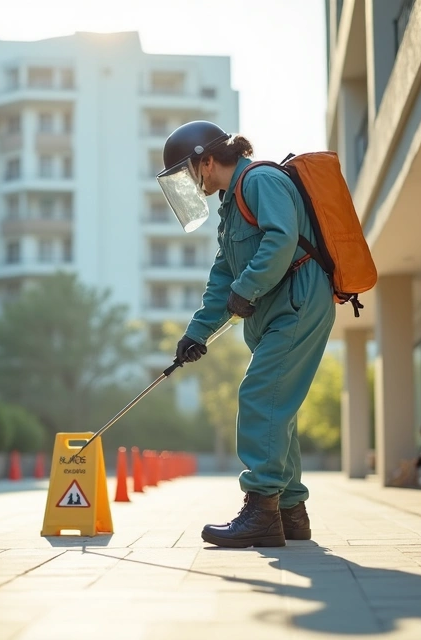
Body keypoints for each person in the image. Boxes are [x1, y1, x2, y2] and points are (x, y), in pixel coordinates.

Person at [156, 120, 336, 548]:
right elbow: (223, 277)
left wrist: (247, 289)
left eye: (187, 173)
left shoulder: (261, 180)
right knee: (278, 409)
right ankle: (291, 513)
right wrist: (196, 333)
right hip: (274, 312)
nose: (190, 185)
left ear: (207, 160)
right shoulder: (231, 204)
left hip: (298, 303)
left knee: (260, 397)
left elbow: (281, 239)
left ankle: (260, 512)